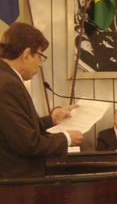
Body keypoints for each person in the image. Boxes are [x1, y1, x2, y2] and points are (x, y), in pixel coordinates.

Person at [0, 22, 83, 178]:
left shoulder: (7, 78)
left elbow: (17, 128)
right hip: (14, 185)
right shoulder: (7, 84)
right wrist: (66, 138)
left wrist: (51, 120)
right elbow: (27, 143)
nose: (40, 63)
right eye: (40, 56)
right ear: (26, 54)